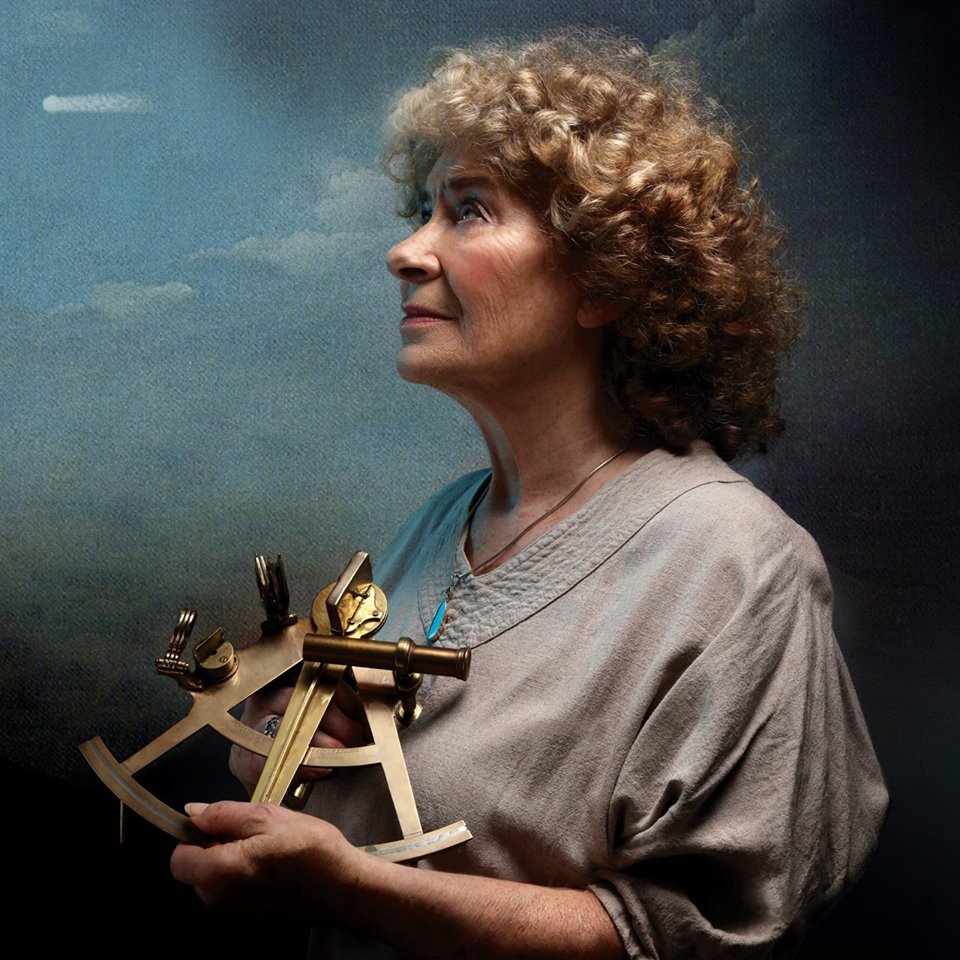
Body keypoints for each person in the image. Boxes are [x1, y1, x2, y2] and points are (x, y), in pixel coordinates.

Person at [170, 30, 888, 959]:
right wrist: (282, 748)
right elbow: (346, 797)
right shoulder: (439, 524)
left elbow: (684, 939)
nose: (404, 251)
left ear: (607, 279)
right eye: (423, 210)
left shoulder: (742, 567)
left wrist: (353, 893)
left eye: (469, 211)